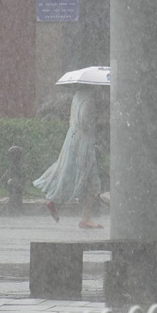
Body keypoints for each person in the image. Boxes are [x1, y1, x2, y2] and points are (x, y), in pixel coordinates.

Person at [34, 85, 107, 229]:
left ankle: (55, 200)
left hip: (72, 138)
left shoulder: (78, 95)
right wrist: (97, 120)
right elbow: (84, 120)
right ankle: (85, 218)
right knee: (89, 179)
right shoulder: (89, 98)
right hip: (84, 142)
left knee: (67, 169)